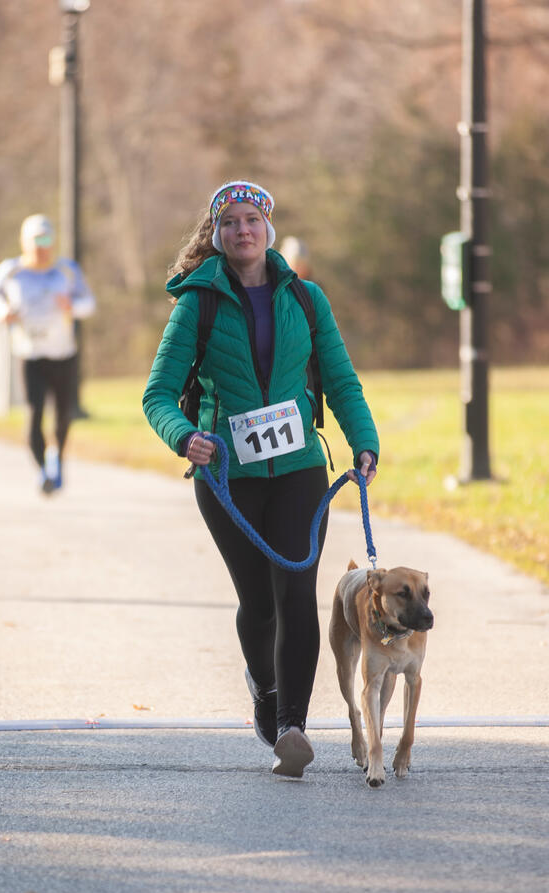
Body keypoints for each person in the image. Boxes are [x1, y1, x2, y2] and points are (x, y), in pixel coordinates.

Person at [143, 180, 379, 779]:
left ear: (267, 229)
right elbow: (158, 395)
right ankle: (266, 693)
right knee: (258, 601)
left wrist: (364, 442)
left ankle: (292, 727)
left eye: (252, 220)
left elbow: (342, 379)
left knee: (297, 591)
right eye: (231, 223)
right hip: (228, 476)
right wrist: (184, 437)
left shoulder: (305, 298)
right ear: (217, 235)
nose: (242, 230)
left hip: (300, 467)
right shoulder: (196, 303)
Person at [0, 214, 95, 494]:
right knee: (34, 414)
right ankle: (43, 469)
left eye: (46, 240)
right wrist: (1, 312)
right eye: (35, 240)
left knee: (63, 416)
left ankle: (56, 459)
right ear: (23, 242)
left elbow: (88, 302)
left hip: (63, 353)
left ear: (52, 241)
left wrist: (72, 307)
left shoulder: (66, 270)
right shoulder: (12, 270)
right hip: (29, 355)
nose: (41, 246)